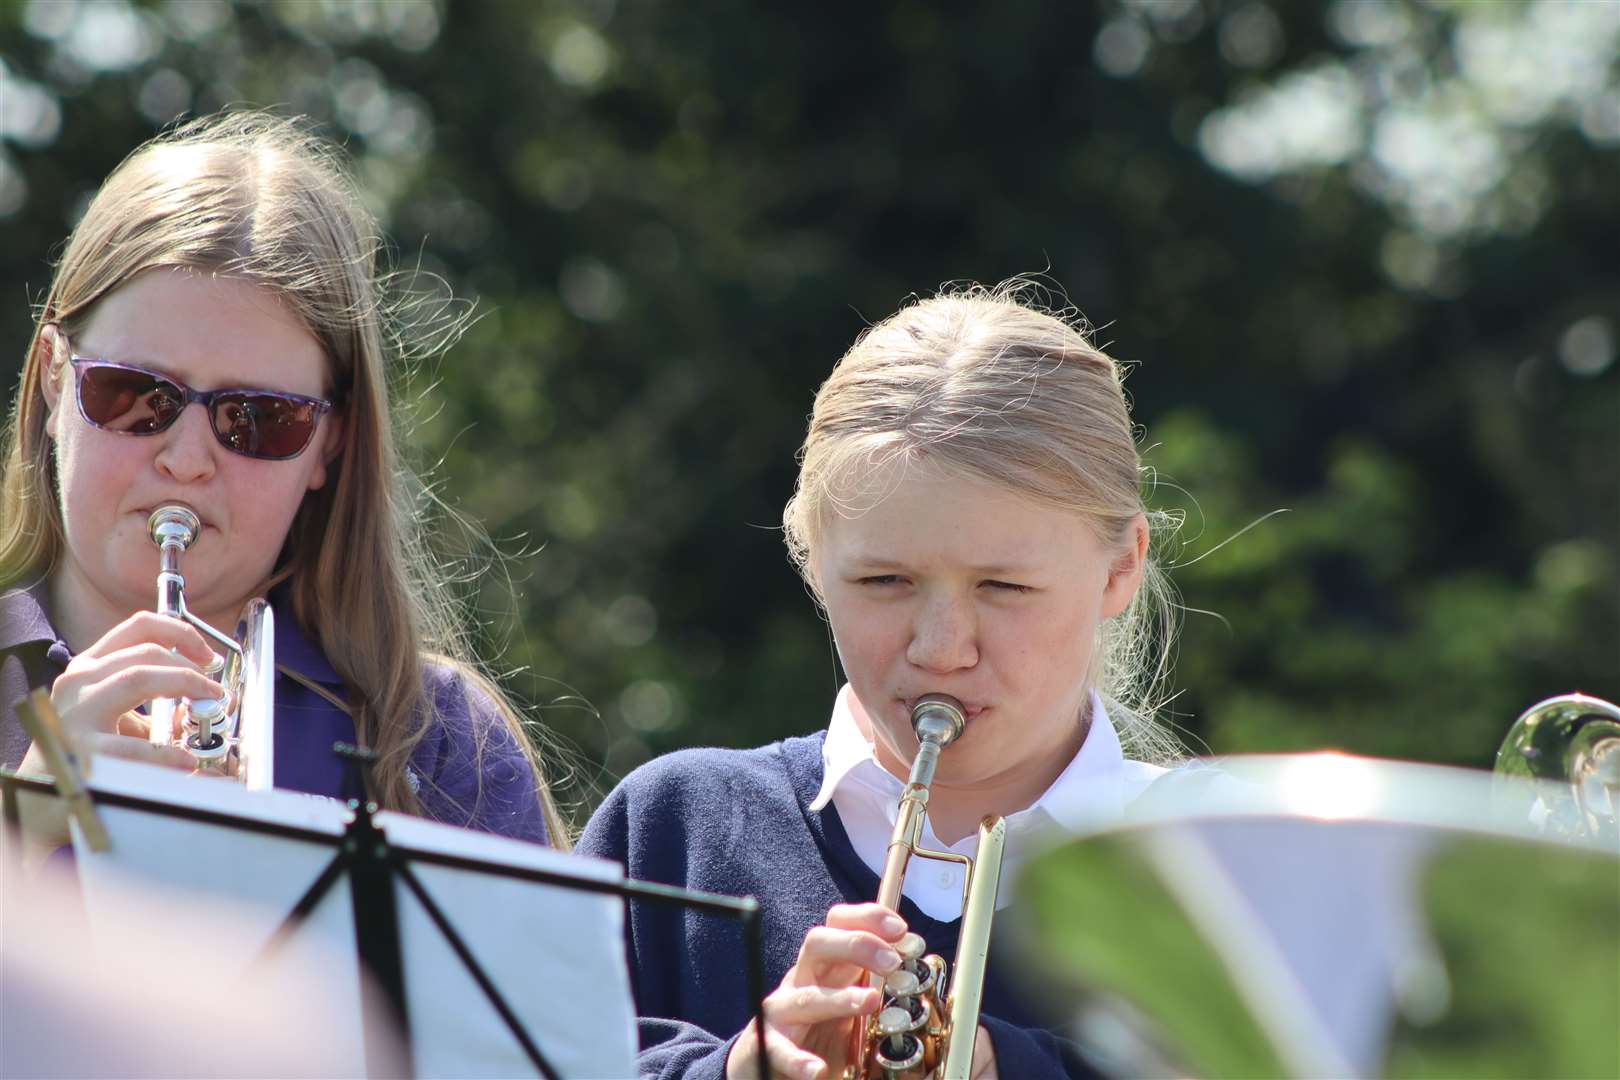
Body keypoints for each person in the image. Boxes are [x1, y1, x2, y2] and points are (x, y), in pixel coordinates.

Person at [577, 281, 1187, 1078]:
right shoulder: (676, 829)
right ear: (814, 565)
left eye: (1003, 588)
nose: (939, 650)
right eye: (884, 583)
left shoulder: (1222, 870)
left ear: (1121, 568)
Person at [0, 110, 565, 846]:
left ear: (329, 444)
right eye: (137, 395)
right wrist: (22, 826)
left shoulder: (435, 738)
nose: (187, 457)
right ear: (52, 383)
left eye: (258, 419)